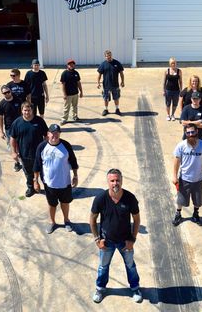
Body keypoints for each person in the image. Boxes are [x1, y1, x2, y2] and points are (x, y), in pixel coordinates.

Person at [90, 168, 142, 304]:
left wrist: (132, 239)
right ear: (108, 182)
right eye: (112, 181)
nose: (115, 183)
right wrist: (97, 239)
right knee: (103, 266)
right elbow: (92, 219)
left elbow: (137, 219)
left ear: (122, 180)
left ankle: (135, 288)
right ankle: (100, 289)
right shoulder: (100, 199)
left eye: (117, 180)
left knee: (130, 266)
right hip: (106, 242)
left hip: (125, 241)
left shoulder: (130, 198)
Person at [33, 124, 79, 234]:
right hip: (49, 184)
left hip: (65, 183)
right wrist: (36, 181)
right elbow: (37, 165)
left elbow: (73, 162)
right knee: (52, 204)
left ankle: (67, 221)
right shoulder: (42, 147)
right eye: (52, 133)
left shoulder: (66, 145)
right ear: (48, 134)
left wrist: (75, 176)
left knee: (65, 203)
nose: (55, 135)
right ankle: (52, 222)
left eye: (57, 133)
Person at [172, 123, 202, 226]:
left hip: (198, 179)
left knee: (198, 200)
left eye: (192, 132)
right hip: (184, 179)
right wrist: (174, 176)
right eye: (188, 132)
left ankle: (195, 214)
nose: (190, 134)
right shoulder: (181, 145)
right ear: (185, 133)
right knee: (180, 199)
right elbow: (176, 161)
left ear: (197, 131)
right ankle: (178, 214)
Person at [10, 102, 48, 197]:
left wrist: (47, 148)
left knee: (44, 172)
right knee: (28, 173)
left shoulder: (39, 121)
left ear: (32, 110)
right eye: (25, 110)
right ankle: (31, 188)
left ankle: (48, 188)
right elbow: (12, 138)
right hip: (25, 154)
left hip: (39, 154)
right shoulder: (17, 123)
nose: (27, 112)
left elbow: (47, 136)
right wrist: (13, 152)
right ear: (22, 111)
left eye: (29, 110)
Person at [0, 85, 22, 171]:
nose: (7, 94)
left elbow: (24, 113)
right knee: (12, 147)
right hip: (9, 129)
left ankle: (24, 161)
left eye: (8, 92)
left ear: (11, 91)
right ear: (2, 94)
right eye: (5, 93)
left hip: (19, 127)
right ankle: (17, 163)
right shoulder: (1, 104)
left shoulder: (18, 100)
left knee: (22, 145)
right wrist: (1, 131)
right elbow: (0, 118)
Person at [97, 50, 125, 116]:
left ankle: (117, 109)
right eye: (107, 56)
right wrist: (98, 83)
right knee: (106, 98)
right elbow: (99, 75)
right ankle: (106, 109)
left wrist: (122, 81)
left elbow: (121, 73)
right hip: (106, 85)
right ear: (105, 56)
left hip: (115, 85)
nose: (108, 57)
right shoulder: (103, 64)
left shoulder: (117, 63)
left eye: (109, 55)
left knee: (116, 97)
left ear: (111, 55)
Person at [60, 59, 83, 125]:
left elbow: (78, 83)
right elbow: (63, 84)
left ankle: (75, 117)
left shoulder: (76, 73)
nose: (71, 65)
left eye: (72, 64)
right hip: (68, 95)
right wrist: (64, 94)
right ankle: (64, 119)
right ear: (67, 65)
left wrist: (81, 92)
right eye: (70, 64)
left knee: (75, 106)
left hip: (75, 93)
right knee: (66, 107)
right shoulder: (64, 73)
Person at [163, 57, 182, 121]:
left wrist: (181, 90)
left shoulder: (179, 71)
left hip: (176, 90)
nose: (173, 64)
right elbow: (164, 82)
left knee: (175, 103)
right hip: (168, 90)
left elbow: (180, 81)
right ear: (169, 64)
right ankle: (168, 115)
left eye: (174, 63)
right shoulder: (167, 71)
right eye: (172, 63)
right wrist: (163, 90)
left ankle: (173, 114)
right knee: (168, 103)